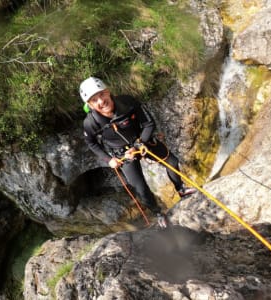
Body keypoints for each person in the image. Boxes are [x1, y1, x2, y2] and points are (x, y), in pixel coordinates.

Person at [80, 76, 196, 228]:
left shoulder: (127, 102)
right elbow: (91, 143)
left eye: (101, 95)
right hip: (122, 154)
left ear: (108, 91)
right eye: (94, 100)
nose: (101, 101)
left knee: (171, 161)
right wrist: (109, 160)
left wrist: (139, 143)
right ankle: (158, 213)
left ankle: (181, 189)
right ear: (90, 105)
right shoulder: (91, 123)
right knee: (140, 188)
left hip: (142, 142)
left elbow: (148, 123)